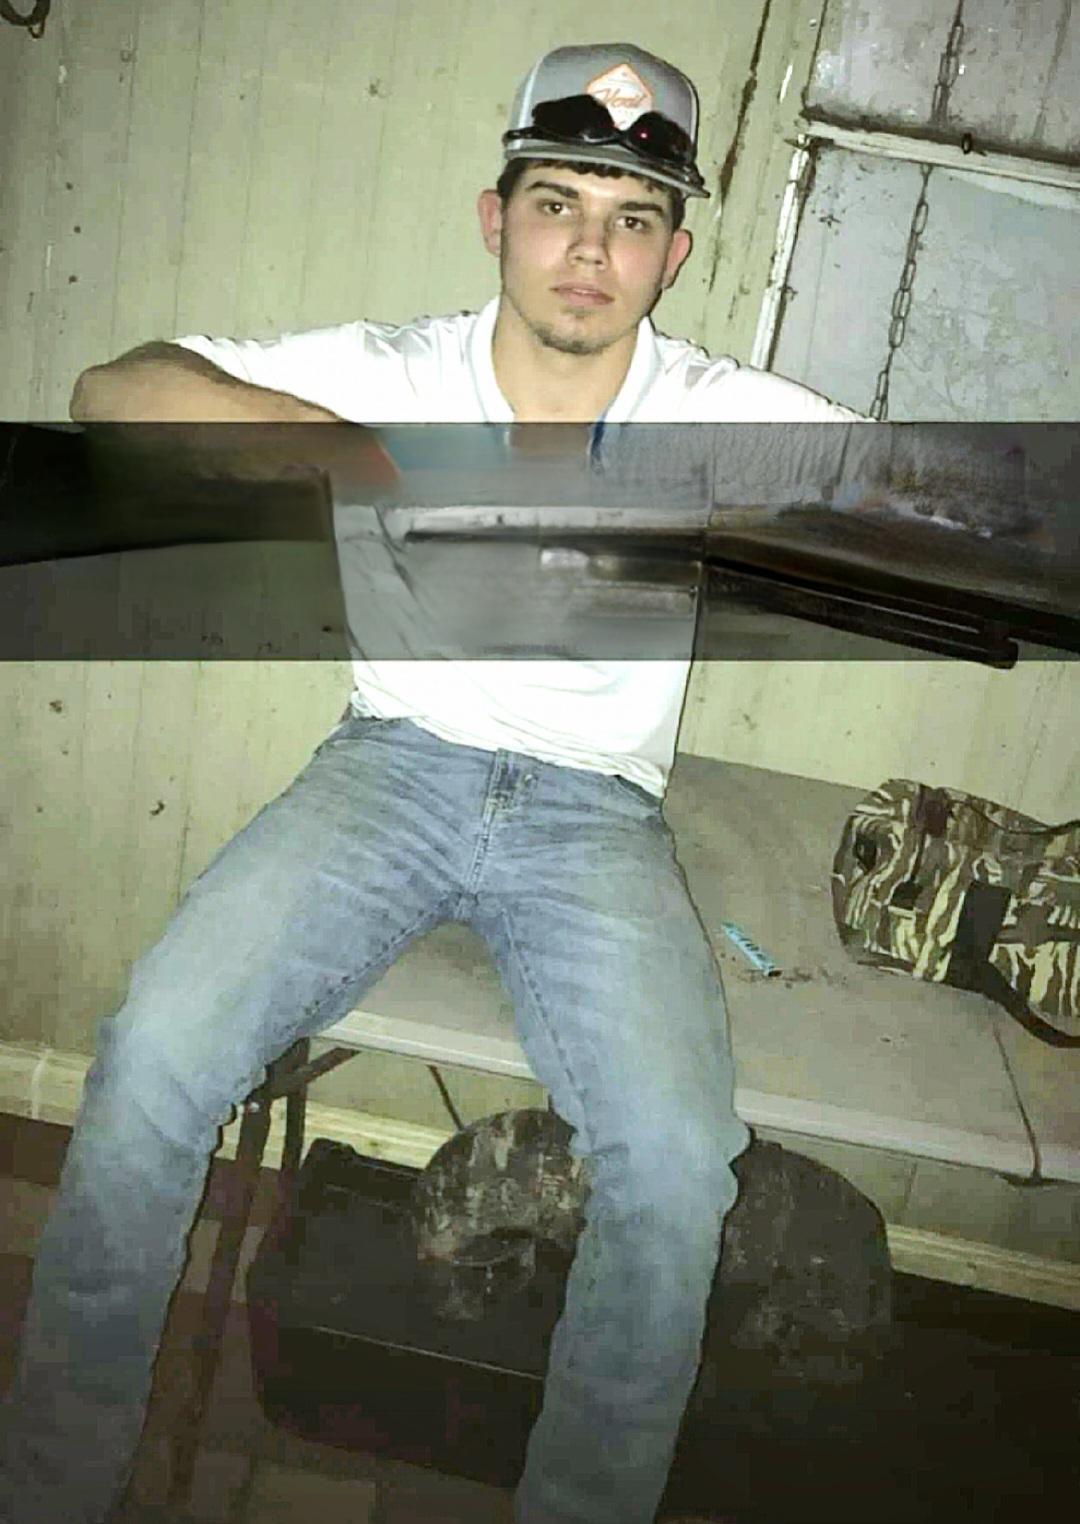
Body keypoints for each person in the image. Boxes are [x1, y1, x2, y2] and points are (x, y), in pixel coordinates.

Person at [1, 41, 857, 1524]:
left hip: (595, 816)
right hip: (389, 771)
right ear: (494, 219)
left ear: (672, 256)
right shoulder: (398, 368)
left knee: (674, 1175)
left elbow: (953, 499)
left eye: (633, 219)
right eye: (557, 203)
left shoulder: (721, 411)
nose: (589, 249)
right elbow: (110, 388)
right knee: (150, 1064)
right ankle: (52, 1483)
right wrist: (356, 451)